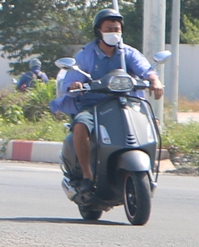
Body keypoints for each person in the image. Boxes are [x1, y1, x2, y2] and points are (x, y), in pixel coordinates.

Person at [53, 10, 162, 191]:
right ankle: (88, 175)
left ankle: (148, 170)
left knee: (153, 123)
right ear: (99, 31)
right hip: (94, 105)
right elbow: (71, 79)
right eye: (109, 29)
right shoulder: (86, 55)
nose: (114, 33)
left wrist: (154, 80)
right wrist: (75, 84)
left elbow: (146, 69)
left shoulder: (128, 53)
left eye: (117, 29)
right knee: (80, 125)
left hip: (127, 102)